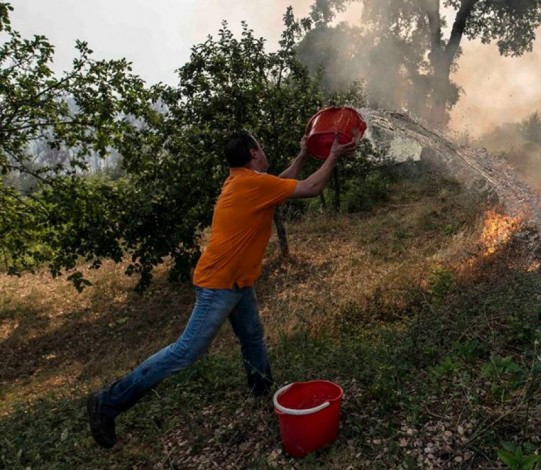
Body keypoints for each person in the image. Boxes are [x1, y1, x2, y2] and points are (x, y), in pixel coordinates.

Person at [87, 130, 357, 449]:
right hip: (220, 284)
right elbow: (311, 188)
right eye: (262, 146)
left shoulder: (246, 181)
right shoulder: (252, 184)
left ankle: (260, 391)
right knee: (185, 351)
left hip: (237, 281)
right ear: (254, 153)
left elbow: (280, 185)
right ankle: (107, 402)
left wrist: (301, 156)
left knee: (252, 335)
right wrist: (334, 156)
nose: (265, 151)